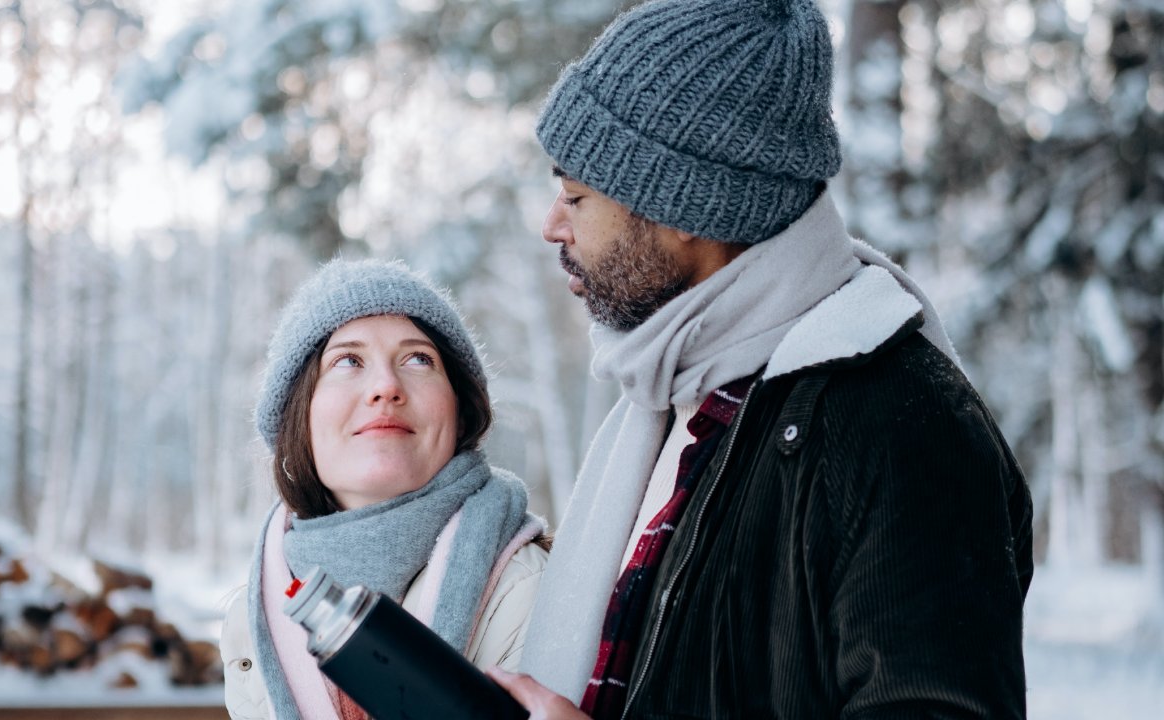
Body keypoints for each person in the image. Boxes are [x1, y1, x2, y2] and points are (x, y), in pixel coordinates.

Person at [488, 0, 1034, 718]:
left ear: (685, 207)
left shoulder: (902, 428)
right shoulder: (672, 401)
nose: (550, 224)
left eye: (577, 197)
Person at [220, 259, 549, 720]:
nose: (386, 387)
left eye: (418, 359)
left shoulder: (532, 590)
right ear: (300, 413)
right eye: (348, 360)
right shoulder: (254, 619)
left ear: (459, 410)